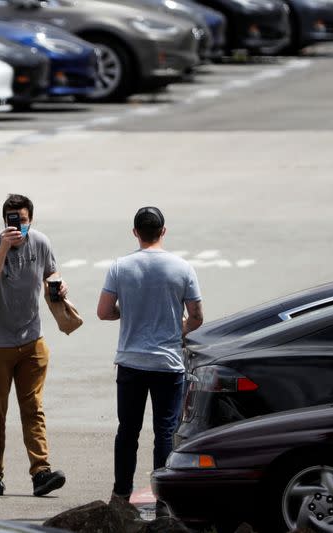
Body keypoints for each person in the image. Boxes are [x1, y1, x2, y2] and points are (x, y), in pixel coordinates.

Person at [96, 206, 204, 506]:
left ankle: (120, 494)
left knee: (127, 431)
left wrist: (127, 313)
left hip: (131, 362)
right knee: (166, 432)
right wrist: (177, 326)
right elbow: (196, 316)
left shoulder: (120, 267)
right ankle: (164, 499)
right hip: (168, 363)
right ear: (163, 231)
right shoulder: (182, 268)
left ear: (135, 233)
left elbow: (104, 312)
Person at [0, 193, 68, 497]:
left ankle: (41, 471)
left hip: (31, 340)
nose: (19, 227)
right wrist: (4, 245)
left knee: (33, 408)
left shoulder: (40, 242)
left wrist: (58, 283)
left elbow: (50, 271)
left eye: (23, 221)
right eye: (13, 221)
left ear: (31, 220)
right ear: (4, 221)